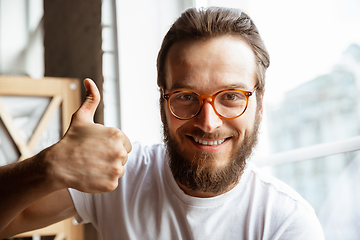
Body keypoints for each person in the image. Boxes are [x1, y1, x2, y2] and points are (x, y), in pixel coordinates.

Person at [0, 7, 324, 239]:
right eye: (186, 96)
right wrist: (46, 167)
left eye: (231, 96)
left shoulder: (287, 223)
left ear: (260, 104)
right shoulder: (120, 178)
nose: (208, 123)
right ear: (163, 102)